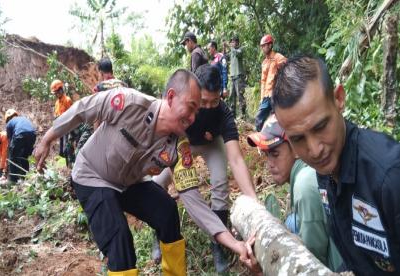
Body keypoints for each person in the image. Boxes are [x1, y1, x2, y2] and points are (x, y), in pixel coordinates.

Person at [33, 69, 202, 276]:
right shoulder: (129, 102)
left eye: (197, 113)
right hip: (92, 176)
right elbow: (82, 109)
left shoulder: (177, 145)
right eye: (190, 108)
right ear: (171, 97)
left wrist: (226, 239)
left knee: (167, 210)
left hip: (129, 182)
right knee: (120, 240)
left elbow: (190, 192)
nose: (193, 118)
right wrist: (46, 140)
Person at [272, 54, 400, 275]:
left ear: (339, 99)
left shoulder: (389, 177)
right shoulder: (326, 173)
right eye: (298, 139)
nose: (314, 150)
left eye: (321, 126)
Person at [152, 64, 257, 273]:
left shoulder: (224, 115)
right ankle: (158, 234)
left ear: (221, 94)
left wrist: (255, 203)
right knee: (158, 183)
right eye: (203, 101)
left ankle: (218, 243)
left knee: (220, 182)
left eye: (215, 101)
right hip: (183, 144)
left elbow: (235, 159)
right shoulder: (184, 106)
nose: (208, 107)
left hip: (211, 144)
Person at [247, 114, 343, 271]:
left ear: (297, 149)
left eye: (275, 154)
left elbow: (311, 262)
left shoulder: (304, 184)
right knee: (291, 221)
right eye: (266, 155)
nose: (269, 164)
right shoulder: (309, 172)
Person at [255, 34, 286, 131]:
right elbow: (263, 81)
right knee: (259, 119)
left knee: (277, 118)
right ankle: (260, 142)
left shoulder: (278, 57)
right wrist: (262, 97)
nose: (263, 48)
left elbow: (287, 68)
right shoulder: (264, 62)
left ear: (270, 45)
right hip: (266, 96)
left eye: (265, 45)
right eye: (262, 46)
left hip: (276, 94)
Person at [5, 109, 36, 183]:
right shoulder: (22, 119)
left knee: (13, 157)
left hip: (20, 133)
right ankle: (25, 177)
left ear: (8, 119)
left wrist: (7, 161)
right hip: (32, 134)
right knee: (24, 157)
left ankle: (13, 181)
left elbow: (10, 144)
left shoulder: (9, 124)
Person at [224, 35, 246, 119]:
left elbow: (237, 53)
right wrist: (224, 48)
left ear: (237, 42)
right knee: (231, 97)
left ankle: (242, 116)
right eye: (231, 42)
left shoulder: (240, 49)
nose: (232, 43)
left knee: (240, 96)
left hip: (239, 77)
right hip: (232, 77)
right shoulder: (232, 52)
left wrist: (230, 47)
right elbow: (225, 57)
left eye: (233, 42)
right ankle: (233, 117)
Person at [50, 79, 73, 161]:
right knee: (61, 150)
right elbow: (56, 114)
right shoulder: (57, 103)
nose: (55, 94)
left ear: (60, 90)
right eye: (55, 93)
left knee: (66, 147)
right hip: (60, 128)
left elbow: (71, 115)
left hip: (67, 128)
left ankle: (69, 164)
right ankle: (63, 168)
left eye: (56, 92)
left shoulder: (67, 100)